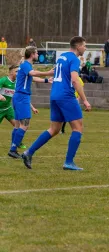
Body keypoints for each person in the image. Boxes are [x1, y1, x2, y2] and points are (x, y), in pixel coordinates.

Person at [21, 36, 91, 171]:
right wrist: (85, 100)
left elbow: (57, 73)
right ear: (78, 47)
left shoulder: (62, 57)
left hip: (55, 95)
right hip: (66, 96)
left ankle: (28, 152)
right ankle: (69, 162)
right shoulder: (74, 59)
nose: (85, 48)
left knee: (54, 129)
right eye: (84, 45)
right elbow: (75, 80)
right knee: (78, 128)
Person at [7, 46, 54, 159]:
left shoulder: (25, 66)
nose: (38, 55)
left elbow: (31, 78)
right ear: (32, 54)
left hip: (19, 96)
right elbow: (33, 74)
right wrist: (47, 72)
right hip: (22, 97)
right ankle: (13, 149)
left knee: (18, 125)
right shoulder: (26, 65)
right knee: (25, 124)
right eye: (37, 53)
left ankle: (13, 149)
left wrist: (47, 80)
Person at [0, 65, 29, 150]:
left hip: (8, 108)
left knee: (19, 126)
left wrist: (32, 107)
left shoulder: (17, 83)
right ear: (11, 72)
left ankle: (17, 142)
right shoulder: (4, 80)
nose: (18, 73)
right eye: (16, 71)